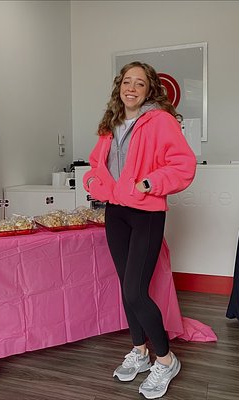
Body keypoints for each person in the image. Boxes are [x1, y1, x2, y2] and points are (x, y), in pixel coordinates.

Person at [83, 61, 196, 399]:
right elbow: (95, 165)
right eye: (126, 82)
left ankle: (166, 360)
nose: (131, 88)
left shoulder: (160, 120)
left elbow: (183, 164)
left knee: (135, 291)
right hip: (115, 213)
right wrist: (93, 184)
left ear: (149, 90)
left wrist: (149, 183)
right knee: (126, 286)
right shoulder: (111, 122)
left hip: (146, 212)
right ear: (119, 86)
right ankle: (140, 351)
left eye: (139, 83)